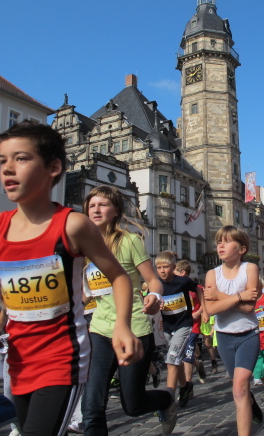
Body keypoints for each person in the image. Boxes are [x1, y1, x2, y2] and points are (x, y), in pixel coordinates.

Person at [0, 121, 142, 436]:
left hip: (63, 357)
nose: (7, 168)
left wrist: (122, 325)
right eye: (2, 160)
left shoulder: (73, 225)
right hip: (18, 358)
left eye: (21, 158)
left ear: (54, 167)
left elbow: (118, 277)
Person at [79, 185, 176, 435]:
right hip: (99, 329)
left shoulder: (129, 241)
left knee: (133, 405)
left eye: (103, 205)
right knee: (91, 406)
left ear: (116, 211)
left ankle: (166, 398)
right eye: (92, 205)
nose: (96, 209)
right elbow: (88, 292)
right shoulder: (83, 247)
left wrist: (154, 296)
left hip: (134, 328)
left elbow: (153, 281)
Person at [203, 226, 261, 436]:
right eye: (219, 241)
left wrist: (219, 296)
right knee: (239, 387)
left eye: (227, 241)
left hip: (248, 334)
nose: (221, 245)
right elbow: (210, 309)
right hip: (224, 336)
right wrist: (239, 297)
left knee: (239, 388)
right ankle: (250, 401)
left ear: (241, 249)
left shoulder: (250, 269)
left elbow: (249, 308)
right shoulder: (212, 274)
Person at [156, 251, 203, 409]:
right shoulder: (156, 284)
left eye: (165, 267)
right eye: (159, 268)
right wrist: (156, 305)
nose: (162, 271)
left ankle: (168, 399)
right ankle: (185, 387)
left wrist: (203, 309)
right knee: (177, 360)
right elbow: (151, 300)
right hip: (167, 327)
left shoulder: (182, 281)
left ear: (173, 267)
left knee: (172, 359)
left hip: (184, 325)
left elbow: (198, 289)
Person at [175, 260, 208, 387]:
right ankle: (198, 365)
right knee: (184, 353)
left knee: (187, 356)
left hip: (193, 325)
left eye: (176, 272)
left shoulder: (196, 287)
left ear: (183, 273)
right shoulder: (176, 287)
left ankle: (188, 385)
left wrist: (199, 312)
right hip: (180, 324)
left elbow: (204, 303)